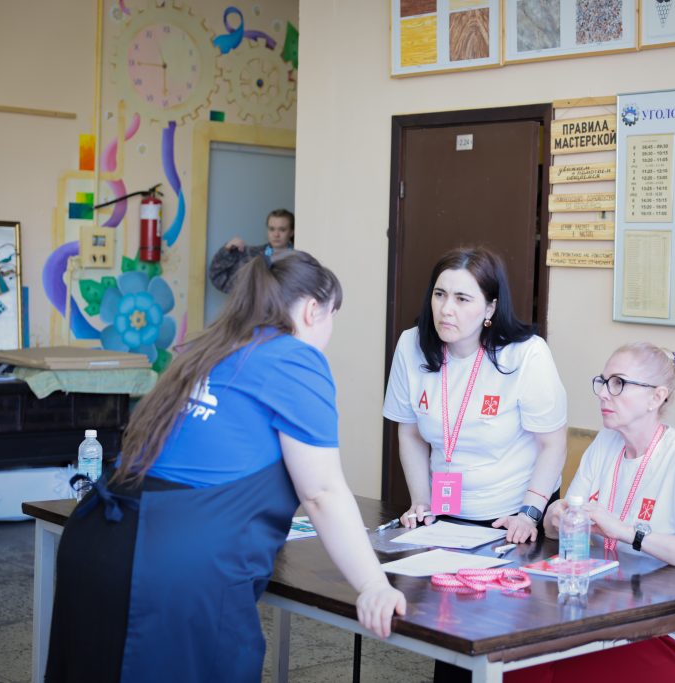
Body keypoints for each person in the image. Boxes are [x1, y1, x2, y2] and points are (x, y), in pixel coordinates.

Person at [46, 250, 406, 683]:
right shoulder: (295, 357)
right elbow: (321, 492)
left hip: (97, 540)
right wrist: (373, 585)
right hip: (174, 562)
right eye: (333, 317)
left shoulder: (209, 349)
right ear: (314, 310)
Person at [512, 342, 675, 683]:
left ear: (656, 397)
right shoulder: (605, 443)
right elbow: (559, 526)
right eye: (602, 382)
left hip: (672, 633)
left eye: (618, 383)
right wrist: (557, 515)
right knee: (517, 664)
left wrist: (628, 533)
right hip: (605, 613)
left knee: (544, 674)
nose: (604, 393)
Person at [382, 246, 568, 545]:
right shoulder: (410, 345)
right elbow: (411, 433)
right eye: (439, 294)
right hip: (444, 513)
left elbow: (553, 444)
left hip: (513, 517)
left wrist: (529, 514)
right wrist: (422, 502)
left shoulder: (526, 353)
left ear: (490, 309)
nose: (446, 309)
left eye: (462, 299)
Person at [208, 208, 295, 293]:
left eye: (282, 230)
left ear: (291, 232)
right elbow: (217, 277)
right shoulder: (251, 256)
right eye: (272, 229)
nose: (276, 234)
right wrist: (227, 250)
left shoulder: (298, 260)